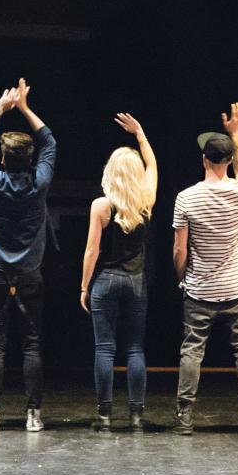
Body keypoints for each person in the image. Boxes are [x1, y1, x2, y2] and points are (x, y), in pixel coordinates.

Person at [171, 103, 238, 436]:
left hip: (200, 289)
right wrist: (236, 133)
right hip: (237, 287)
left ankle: (185, 416)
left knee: (192, 350)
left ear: (204, 160)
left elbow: (180, 248)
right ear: (227, 162)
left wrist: (181, 277)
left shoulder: (187, 198)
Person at [0, 78, 57, 433]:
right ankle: (33, 414)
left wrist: (0, 108)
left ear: (2, 158)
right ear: (31, 158)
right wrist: (24, 107)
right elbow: (49, 141)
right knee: (32, 343)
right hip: (30, 275)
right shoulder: (40, 182)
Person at [80, 113, 157, 432]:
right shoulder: (146, 200)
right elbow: (153, 167)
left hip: (107, 282)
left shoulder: (101, 205)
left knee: (105, 348)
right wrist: (140, 135)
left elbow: (91, 251)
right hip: (137, 282)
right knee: (136, 348)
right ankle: (137, 415)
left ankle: (105, 415)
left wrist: (84, 286)